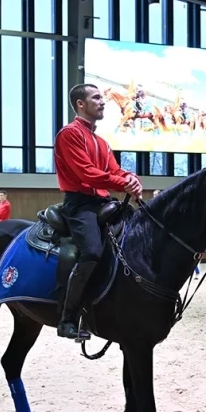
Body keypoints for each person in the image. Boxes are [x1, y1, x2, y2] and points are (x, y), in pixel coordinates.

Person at [53, 83, 142, 341]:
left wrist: (130, 178)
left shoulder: (101, 142)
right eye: (96, 98)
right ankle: (67, 317)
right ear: (81, 104)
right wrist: (121, 182)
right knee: (91, 251)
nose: (102, 102)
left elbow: (114, 171)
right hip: (79, 204)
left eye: (102, 97)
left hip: (103, 202)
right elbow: (86, 174)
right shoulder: (69, 134)